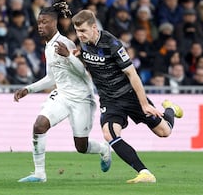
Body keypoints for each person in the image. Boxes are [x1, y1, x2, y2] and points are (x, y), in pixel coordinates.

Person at [69, 10, 184, 184]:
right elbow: (92, 63)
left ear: (94, 27)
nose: (80, 35)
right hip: (109, 100)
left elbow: (133, 75)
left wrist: (144, 104)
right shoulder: (83, 44)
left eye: (83, 31)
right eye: (77, 31)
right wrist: (79, 57)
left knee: (164, 132)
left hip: (130, 96)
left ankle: (170, 109)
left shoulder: (113, 44)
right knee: (109, 133)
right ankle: (144, 172)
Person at [13, 0, 111, 183]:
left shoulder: (66, 43)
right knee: (39, 125)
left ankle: (104, 149)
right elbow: (52, 78)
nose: (41, 26)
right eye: (39, 22)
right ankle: (40, 174)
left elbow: (84, 73)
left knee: (81, 146)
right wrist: (28, 89)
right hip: (62, 95)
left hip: (82, 98)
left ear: (55, 23)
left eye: (45, 22)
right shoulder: (48, 46)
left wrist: (69, 56)